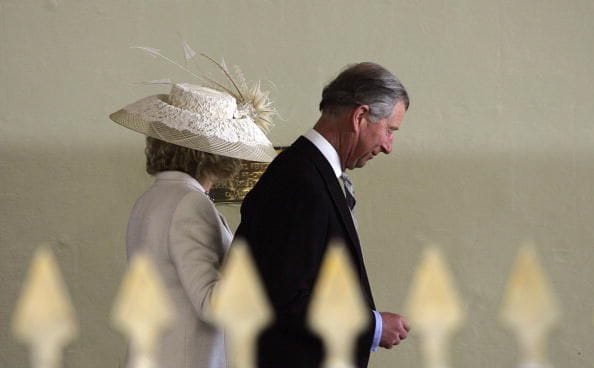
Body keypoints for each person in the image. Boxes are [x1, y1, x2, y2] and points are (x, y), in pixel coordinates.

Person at [234, 62, 411, 368]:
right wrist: (373, 326)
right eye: (389, 130)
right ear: (359, 117)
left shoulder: (308, 172)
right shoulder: (300, 181)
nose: (388, 146)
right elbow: (283, 299)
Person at [109, 81, 276, 368]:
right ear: (214, 151)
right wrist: (260, 246)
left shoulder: (150, 199)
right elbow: (213, 305)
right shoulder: (190, 203)